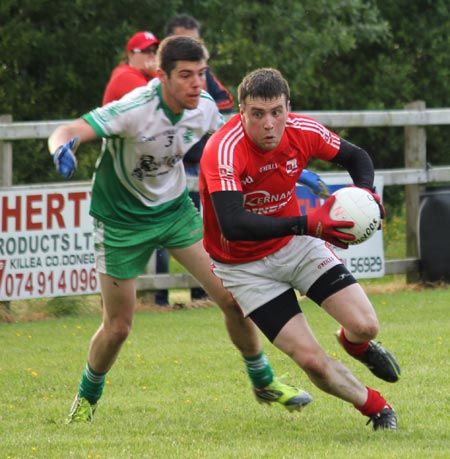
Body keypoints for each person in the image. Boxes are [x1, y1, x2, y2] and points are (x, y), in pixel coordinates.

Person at [48, 38, 311, 424]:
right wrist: (60, 148)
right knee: (118, 327)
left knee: (234, 298)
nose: (196, 84)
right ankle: (86, 398)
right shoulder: (134, 109)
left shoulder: (203, 108)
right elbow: (70, 128)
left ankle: (264, 382)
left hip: (174, 212)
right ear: (163, 76)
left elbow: (240, 146)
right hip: (120, 222)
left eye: (201, 74)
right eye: (185, 75)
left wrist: (294, 162)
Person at [199, 68, 401, 431]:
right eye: (257, 114)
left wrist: (367, 194)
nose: (269, 123)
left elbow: (357, 158)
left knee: (366, 325)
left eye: (277, 111)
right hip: (244, 266)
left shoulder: (303, 130)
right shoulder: (223, 150)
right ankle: (377, 408)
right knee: (311, 360)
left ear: (288, 108)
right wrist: (308, 223)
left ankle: (354, 345)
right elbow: (234, 224)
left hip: (297, 245)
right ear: (240, 113)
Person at [154, 13, 235, 306]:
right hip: (160, 171)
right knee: (158, 232)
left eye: (195, 41)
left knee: (199, 230)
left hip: (197, 168)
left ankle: (201, 295)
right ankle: (157, 298)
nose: (195, 82)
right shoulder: (155, 83)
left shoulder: (205, 76)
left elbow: (225, 106)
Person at [102, 31, 159, 105]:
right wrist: (157, 73)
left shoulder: (147, 76)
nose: (152, 55)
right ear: (131, 54)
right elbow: (157, 103)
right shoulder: (125, 76)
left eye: (155, 51)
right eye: (146, 50)